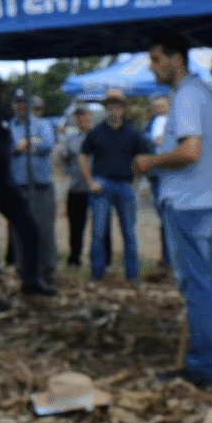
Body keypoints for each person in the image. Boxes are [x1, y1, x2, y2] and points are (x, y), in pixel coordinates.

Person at [135, 32, 212, 387]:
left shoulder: (185, 97)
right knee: (210, 284)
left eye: (156, 59)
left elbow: (190, 151)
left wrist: (149, 161)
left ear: (176, 60)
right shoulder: (203, 95)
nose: (152, 67)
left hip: (190, 205)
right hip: (207, 201)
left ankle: (200, 369)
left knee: (197, 287)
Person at [0, 76, 56, 313]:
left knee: (29, 227)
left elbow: (13, 145)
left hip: (5, 184)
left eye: (1, 93)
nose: (0, 98)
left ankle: (31, 280)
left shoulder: (2, 116)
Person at [78, 89, 145, 281]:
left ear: (123, 110)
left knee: (129, 234)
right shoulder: (96, 132)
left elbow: (141, 158)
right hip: (102, 185)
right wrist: (90, 181)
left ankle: (133, 275)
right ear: (105, 109)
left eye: (117, 107)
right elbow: (83, 156)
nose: (113, 111)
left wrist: (136, 182)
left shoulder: (132, 133)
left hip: (125, 186)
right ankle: (97, 273)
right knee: (98, 232)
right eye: (109, 107)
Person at [9, 89, 58, 287]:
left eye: (24, 102)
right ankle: (23, 269)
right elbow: (10, 148)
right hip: (18, 185)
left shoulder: (43, 124)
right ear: (12, 105)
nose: (21, 106)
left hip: (42, 185)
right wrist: (24, 146)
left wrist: (23, 145)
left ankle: (48, 269)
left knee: (45, 229)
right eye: (17, 102)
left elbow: (47, 144)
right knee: (19, 230)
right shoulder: (8, 127)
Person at [57, 103, 95, 268]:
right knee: (75, 224)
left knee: (99, 226)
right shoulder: (71, 139)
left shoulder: (97, 137)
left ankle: (102, 259)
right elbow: (64, 157)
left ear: (90, 117)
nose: (81, 119)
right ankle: (74, 258)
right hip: (75, 187)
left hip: (94, 188)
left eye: (84, 115)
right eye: (78, 117)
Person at [145, 95, 172, 268]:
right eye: (156, 106)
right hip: (157, 176)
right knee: (164, 218)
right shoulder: (148, 126)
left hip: (174, 175)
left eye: (162, 105)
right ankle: (167, 258)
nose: (159, 109)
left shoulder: (177, 123)